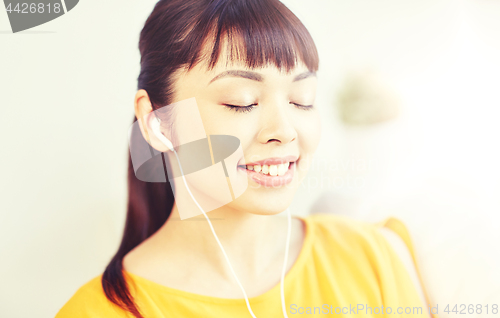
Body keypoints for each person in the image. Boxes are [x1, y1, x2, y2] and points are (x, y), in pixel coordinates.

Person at [55, 0, 438, 317]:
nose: (284, 130)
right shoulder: (98, 311)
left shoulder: (373, 257)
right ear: (157, 123)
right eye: (243, 102)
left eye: (302, 100)